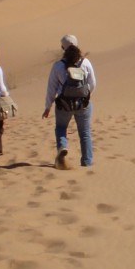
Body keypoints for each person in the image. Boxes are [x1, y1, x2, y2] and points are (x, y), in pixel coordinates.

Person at [43, 34, 96, 169]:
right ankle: (87, 162)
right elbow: (92, 84)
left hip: (63, 105)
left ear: (63, 48)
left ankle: (62, 147)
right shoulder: (86, 63)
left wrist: (47, 107)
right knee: (84, 132)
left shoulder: (57, 66)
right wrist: (85, 95)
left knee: (61, 128)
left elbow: (51, 88)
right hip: (83, 104)